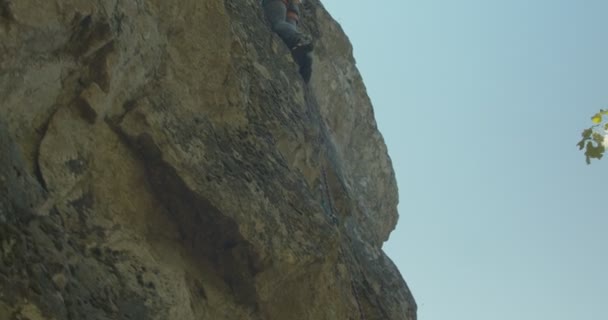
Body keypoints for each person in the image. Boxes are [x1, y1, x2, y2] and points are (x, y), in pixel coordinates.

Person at [262, 0, 313, 82]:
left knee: (278, 23)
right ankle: (305, 60)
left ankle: (300, 39)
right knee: (288, 36)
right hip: (292, 9)